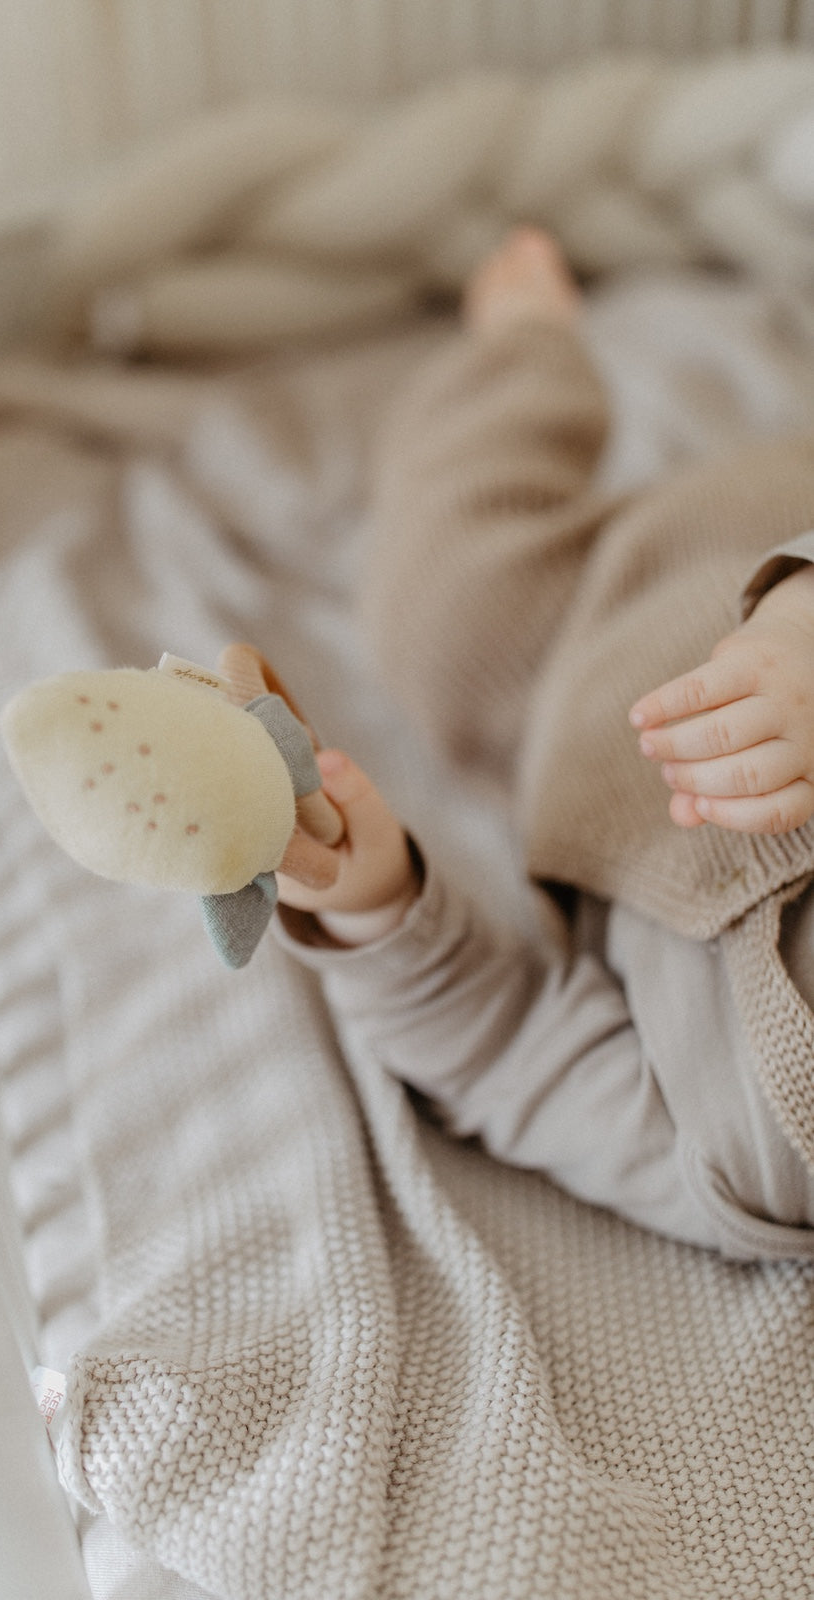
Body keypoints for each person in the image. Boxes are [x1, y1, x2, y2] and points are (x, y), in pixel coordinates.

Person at [275, 228, 814, 1260]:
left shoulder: (751, 1174)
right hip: (771, 539)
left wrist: (377, 913)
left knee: (436, 611)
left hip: (560, 654)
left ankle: (517, 356)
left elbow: (513, 1055)